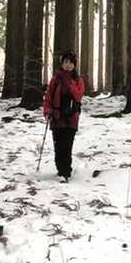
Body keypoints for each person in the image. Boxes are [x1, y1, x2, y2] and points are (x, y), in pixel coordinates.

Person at [43, 51, 85, 181]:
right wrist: (47, 112)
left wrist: (70, 84)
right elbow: (48, 97)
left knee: (67, 146)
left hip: (71, 118)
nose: (68, 65)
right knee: (58, 146)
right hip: (56, 117)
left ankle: (65, 172)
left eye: (71, 63)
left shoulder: (78, 80)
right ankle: (60, 169)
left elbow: (78, 96)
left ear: (74, 65)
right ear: (62, 63)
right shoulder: (55, 79)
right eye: (66, 62)